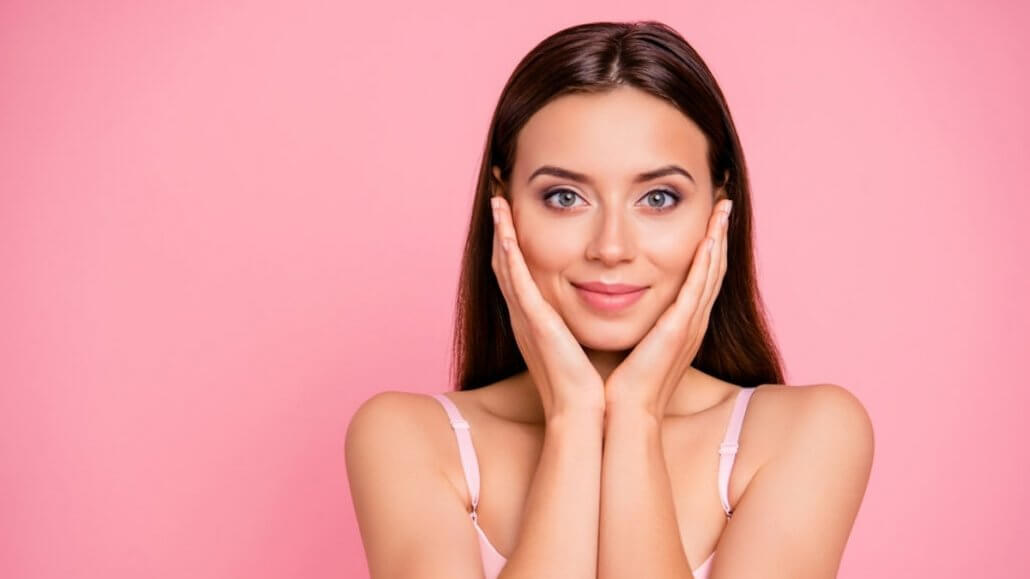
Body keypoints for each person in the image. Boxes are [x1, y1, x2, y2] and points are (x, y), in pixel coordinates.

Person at [345, 20, 874, 579]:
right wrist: (574, 417)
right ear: (504, 205)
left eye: (659, 197)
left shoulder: (808, 433)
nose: (611, 247)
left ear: (719, 207)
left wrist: (636, 415)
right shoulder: (409, 439)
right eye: (565, 197)